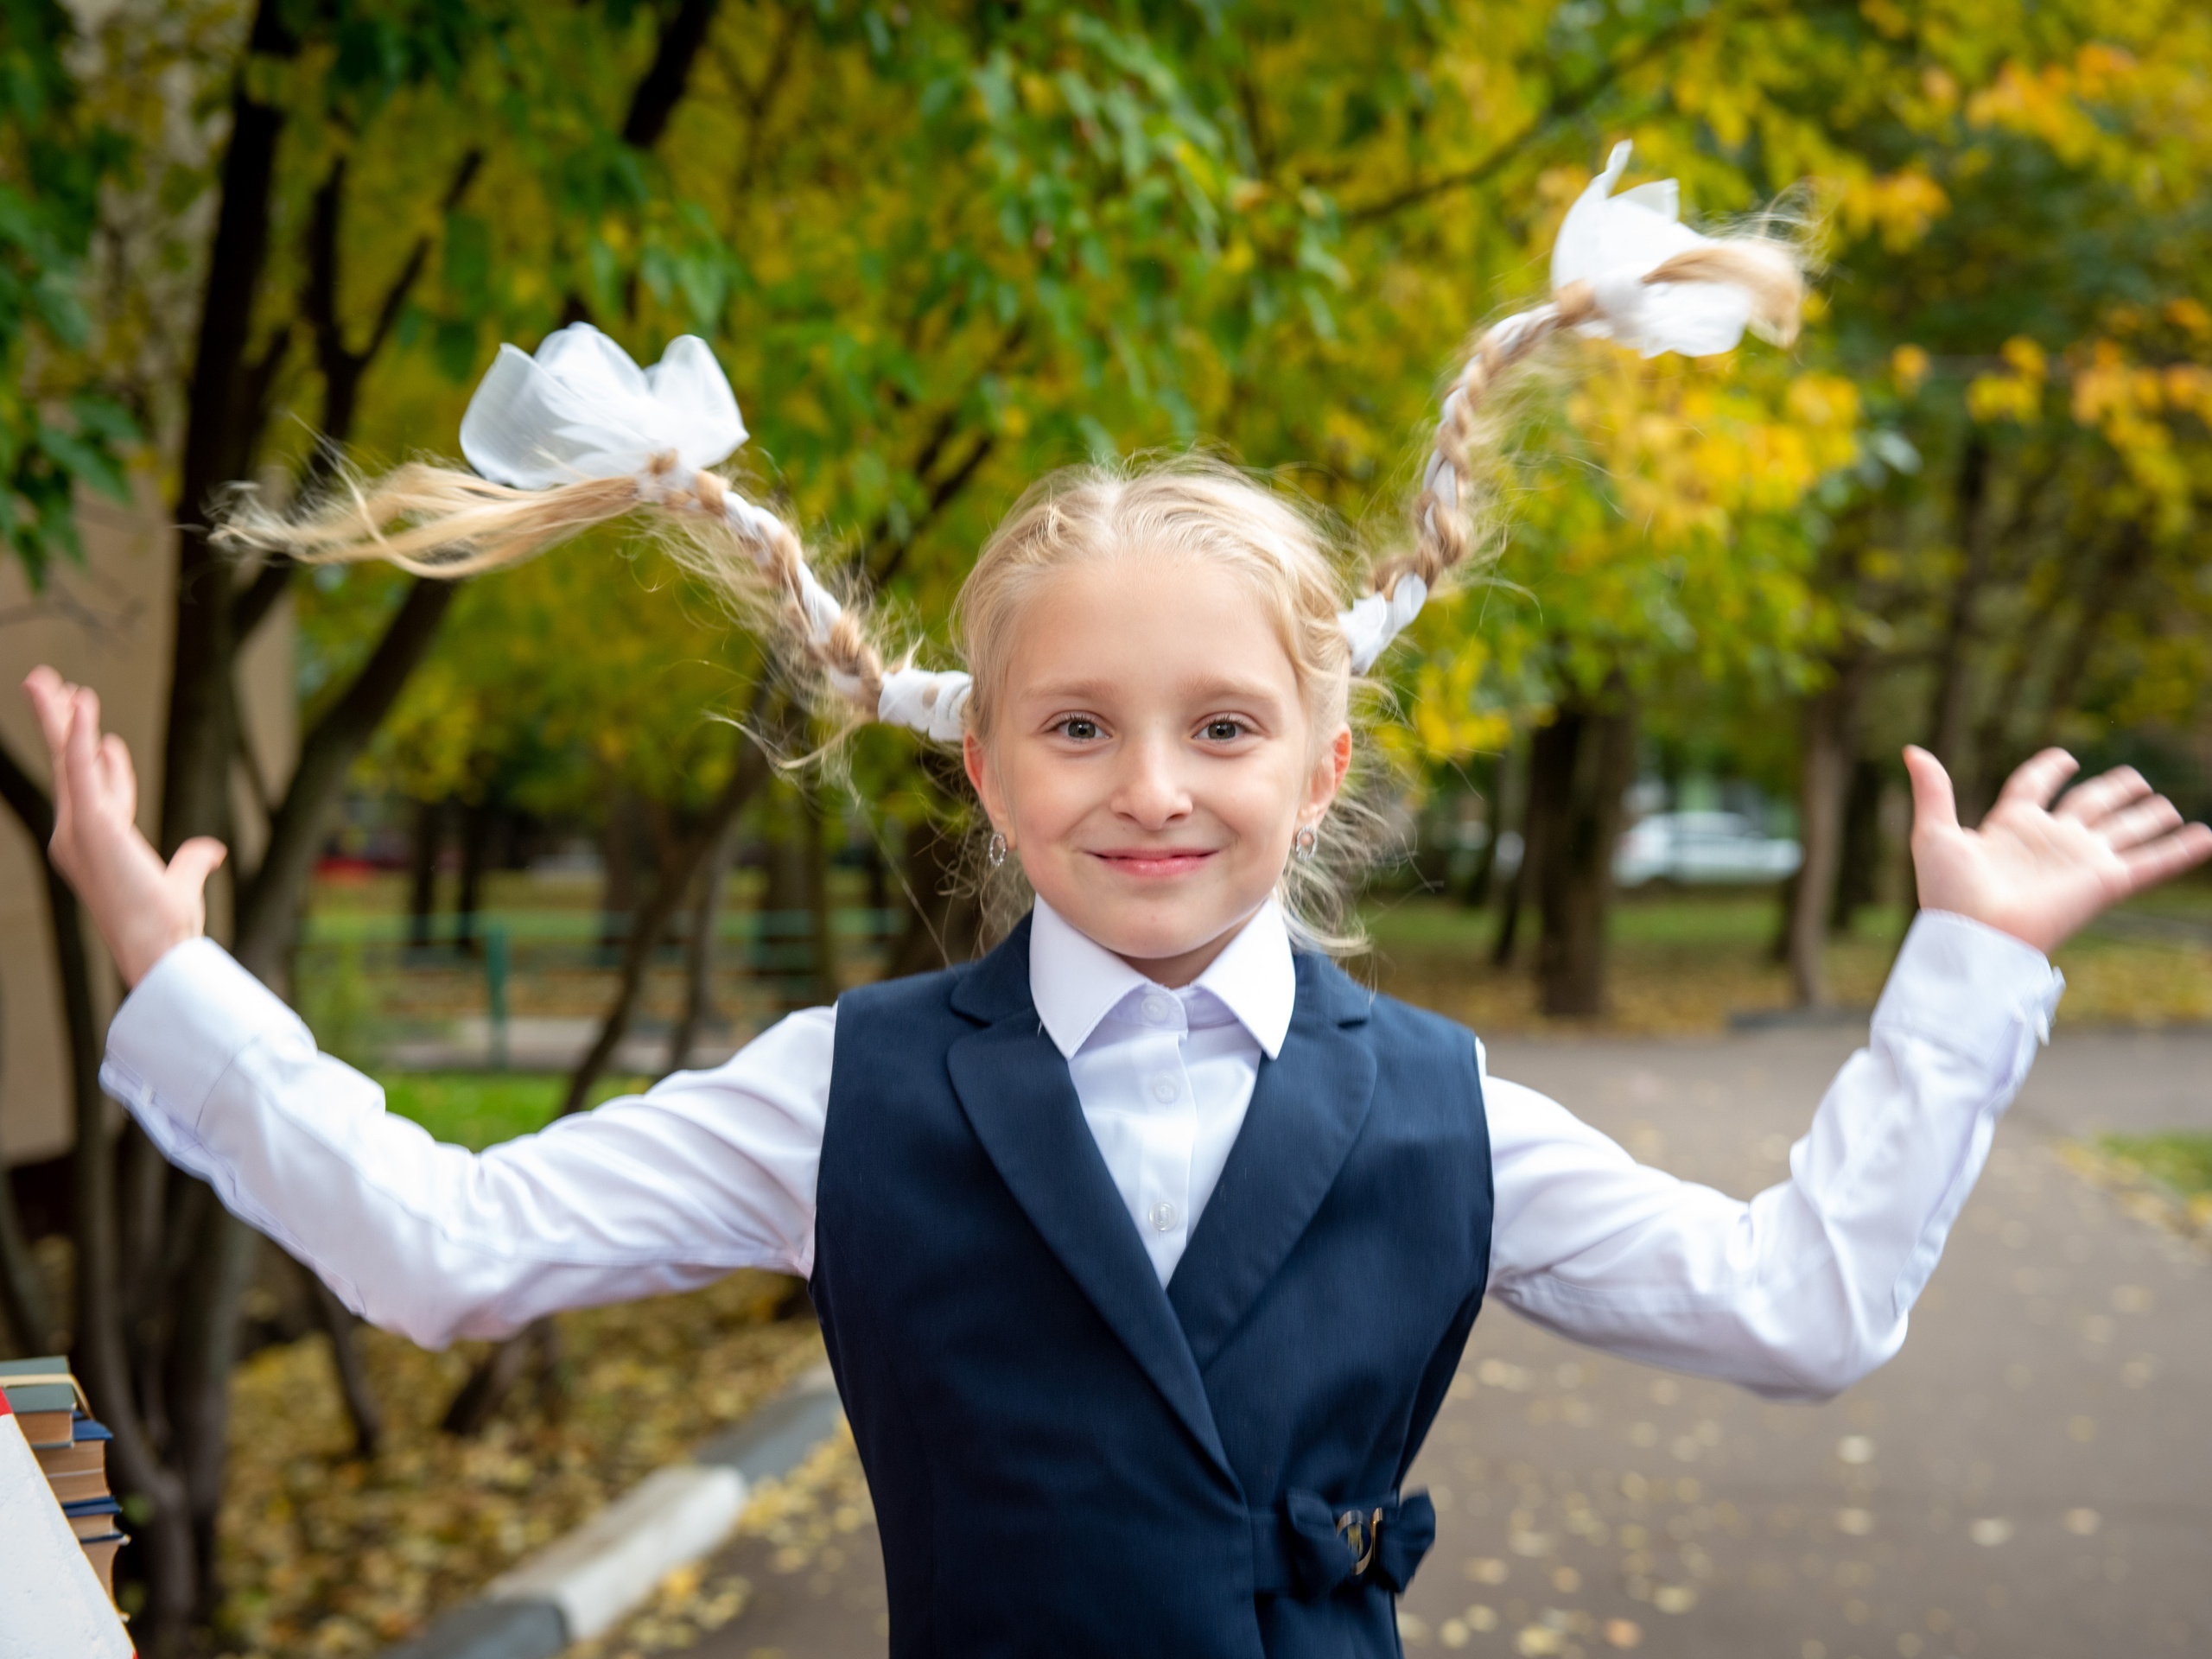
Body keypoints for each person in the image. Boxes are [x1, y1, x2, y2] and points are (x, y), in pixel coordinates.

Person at [22, 150, 2212, 1656]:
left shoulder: (1442, 1113)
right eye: (1074, 728)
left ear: (1324, 761)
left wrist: (1964, 976)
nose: (1149, 788)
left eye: (1221, 731)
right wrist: (171, 968)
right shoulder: (848, 1095)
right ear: (977, 760)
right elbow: (441, 1248)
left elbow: (1793, 1310)